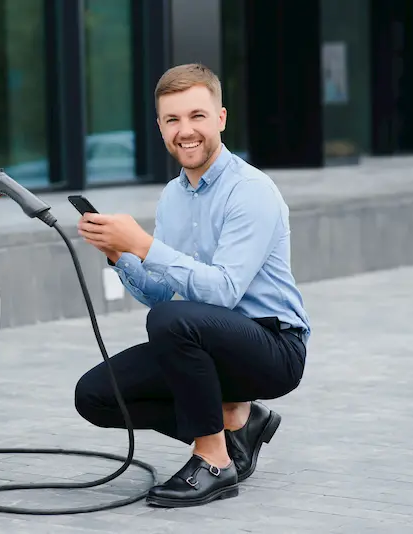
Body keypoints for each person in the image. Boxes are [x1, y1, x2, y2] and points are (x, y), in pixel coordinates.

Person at [74, 63, 311, 508]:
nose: (186, 131)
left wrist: (145, 243)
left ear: (220, 118)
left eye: (197, 116)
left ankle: (214, 461)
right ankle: (238, 425)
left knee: (170, 321)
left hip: (274, 346)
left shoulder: (251, 191)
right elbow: (160, 291)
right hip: (209, 345)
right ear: (161, 127)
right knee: (96, 395)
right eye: (173, 119)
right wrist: (121, 254)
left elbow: (223, 292)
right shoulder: (173, 195)